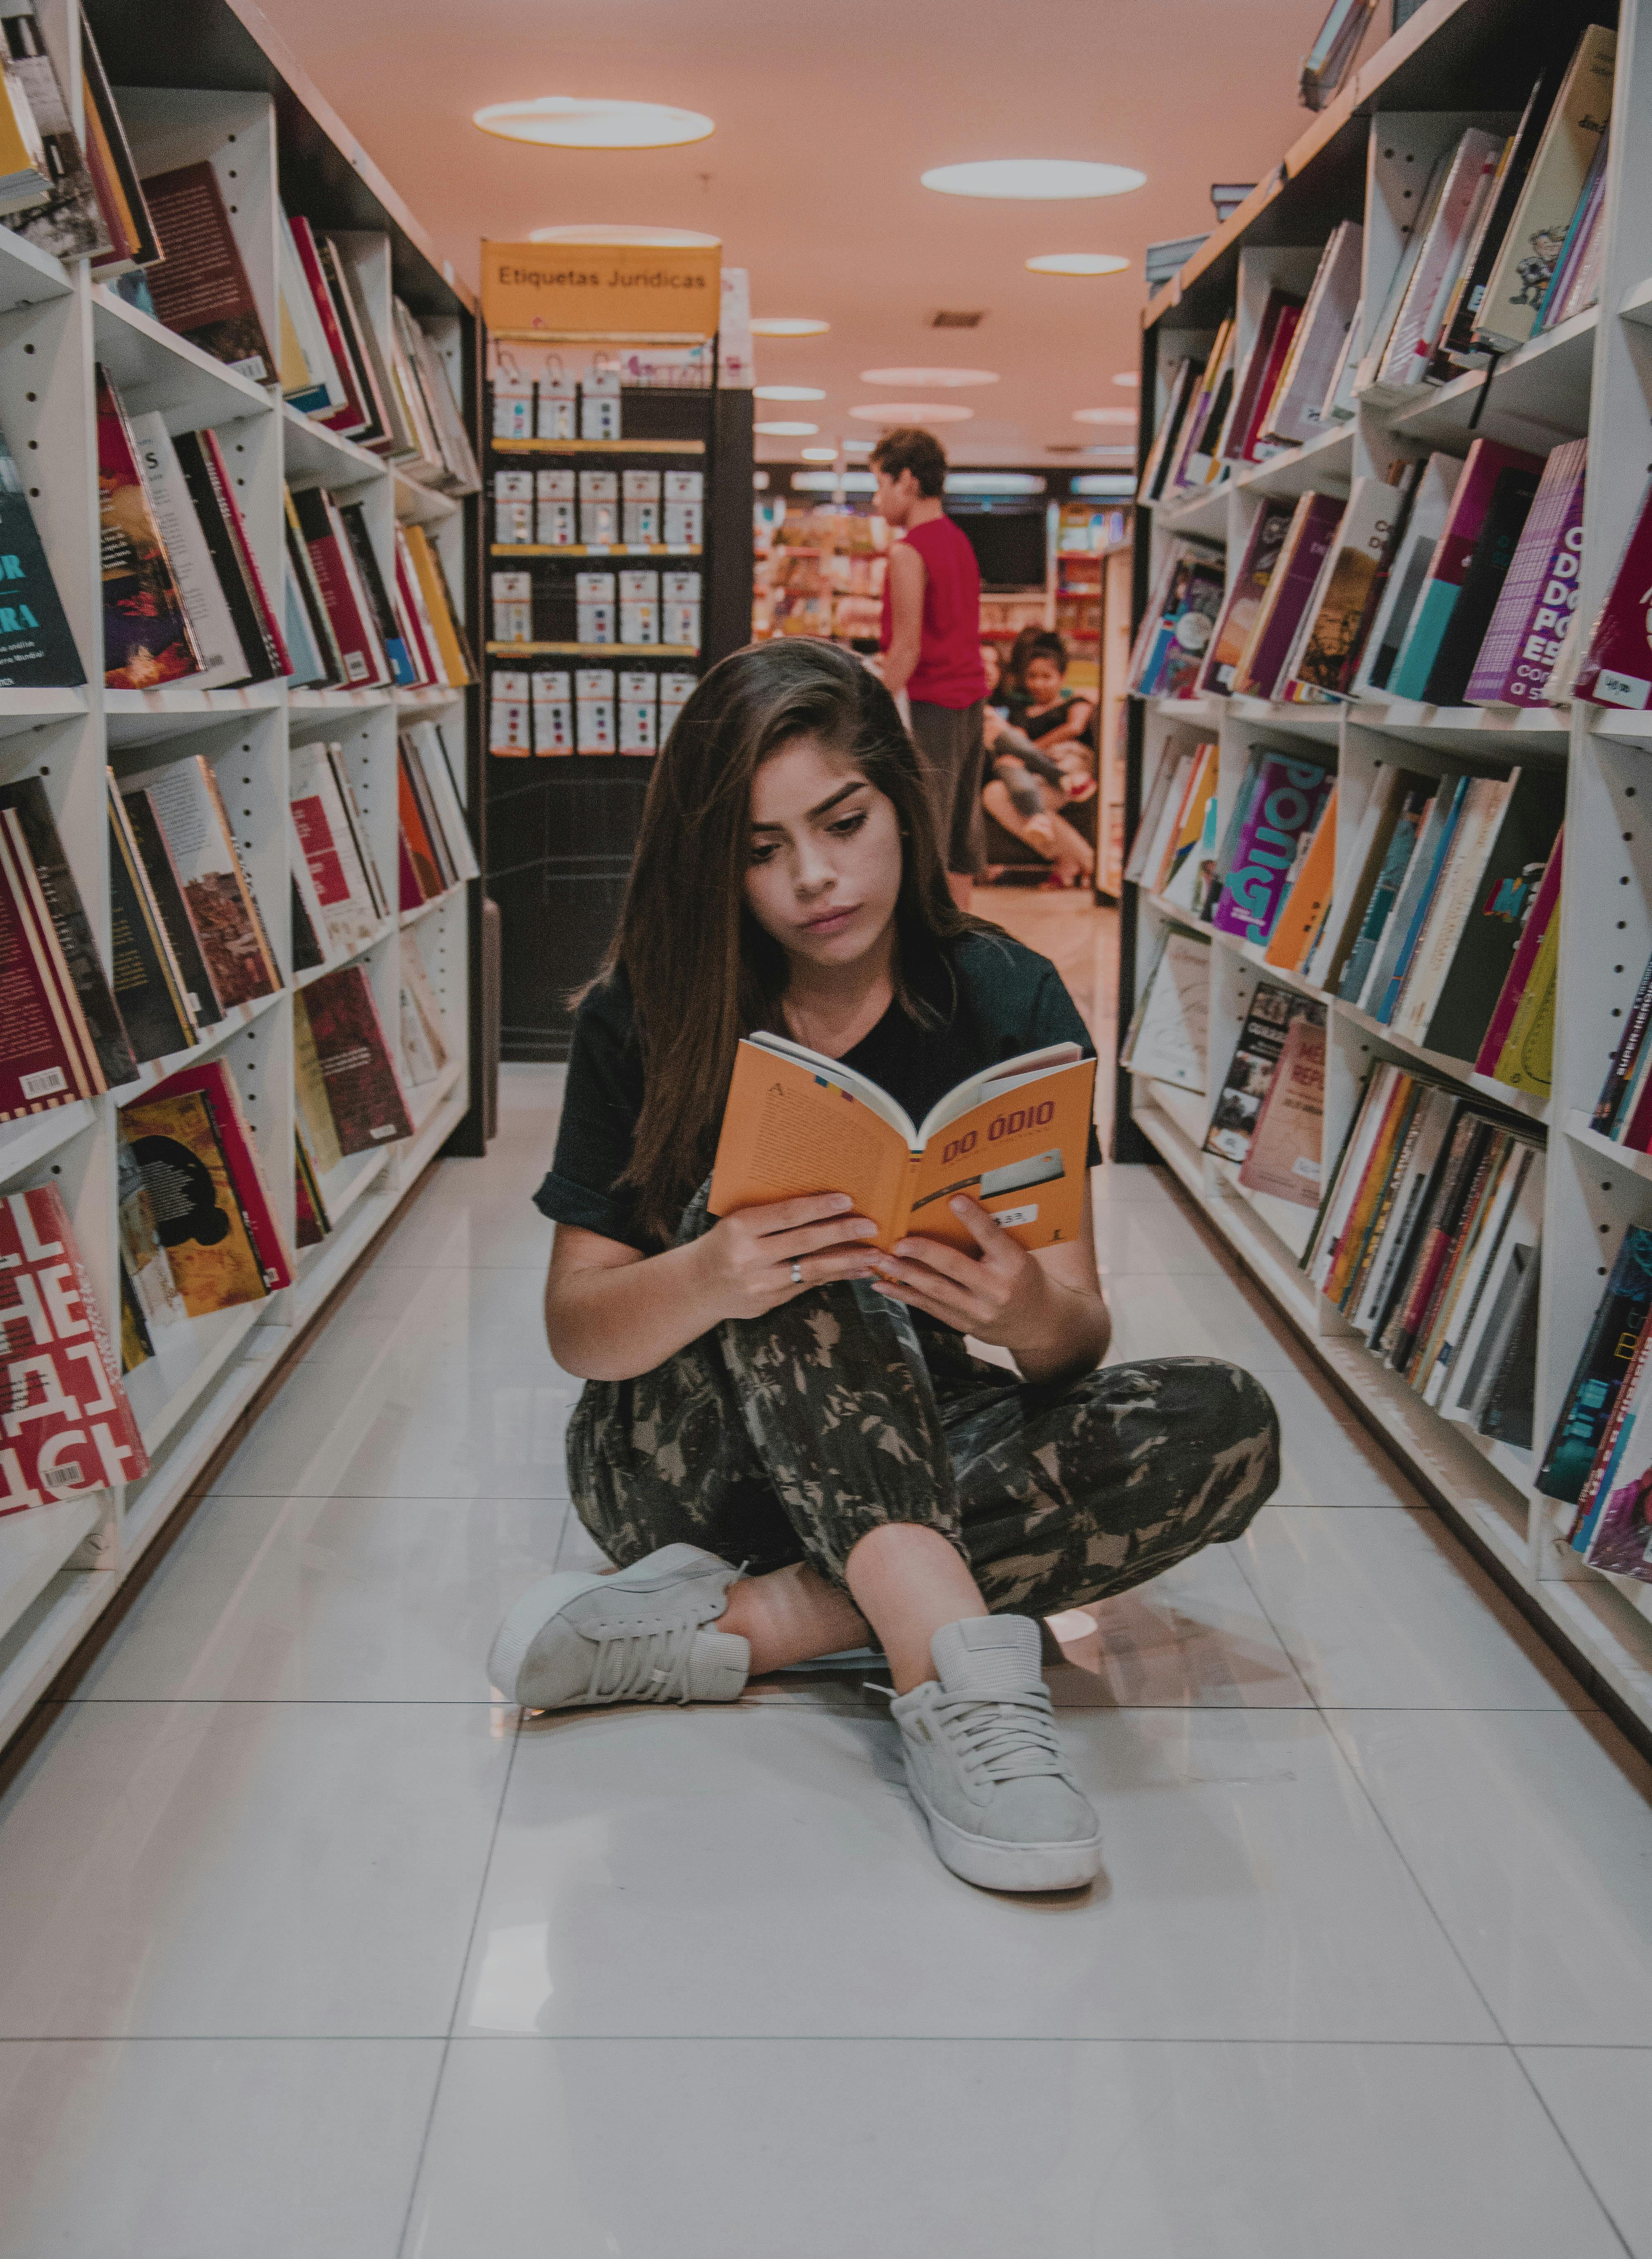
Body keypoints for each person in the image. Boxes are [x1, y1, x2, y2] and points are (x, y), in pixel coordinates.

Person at [492, 638, 1280, 1895]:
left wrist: (1022, 1307)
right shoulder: (642, 1012)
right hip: (676, 1475)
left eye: (842, 821)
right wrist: (714, 1271)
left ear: (900, 806)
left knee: (1223, 1421)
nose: (814, 875)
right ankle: (954, 1682)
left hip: (906, 1434)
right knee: (803, 1222)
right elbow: (579, 1329)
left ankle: (747, 1627)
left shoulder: (1009, 998)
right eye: (759, 849)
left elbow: (1074, 1338)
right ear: (716, 864)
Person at [869, 425, 987, 911]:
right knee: (960, 836)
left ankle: (926, 953)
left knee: (924, 836)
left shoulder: (908, 551)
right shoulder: (960, 541)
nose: (876, 500)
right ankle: (959, 946)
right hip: (971, 702)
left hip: (930, 706)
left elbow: (906, 652)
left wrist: (863, 705)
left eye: (879, 484)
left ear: (907, 481)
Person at [978, 638, 1095, 887]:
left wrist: (1032, 751)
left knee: (1016, 794)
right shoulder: (1021, 712)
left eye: (1047, 676)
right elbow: (1013, 746)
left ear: (1062, 678)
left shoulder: (1076, 702)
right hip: (1034, 773)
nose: (1038, 684)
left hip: (1070, 760)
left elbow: (1075, 727)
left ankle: (1085, 862)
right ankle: (1074, 858)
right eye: (1032, 677)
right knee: (994, 793)